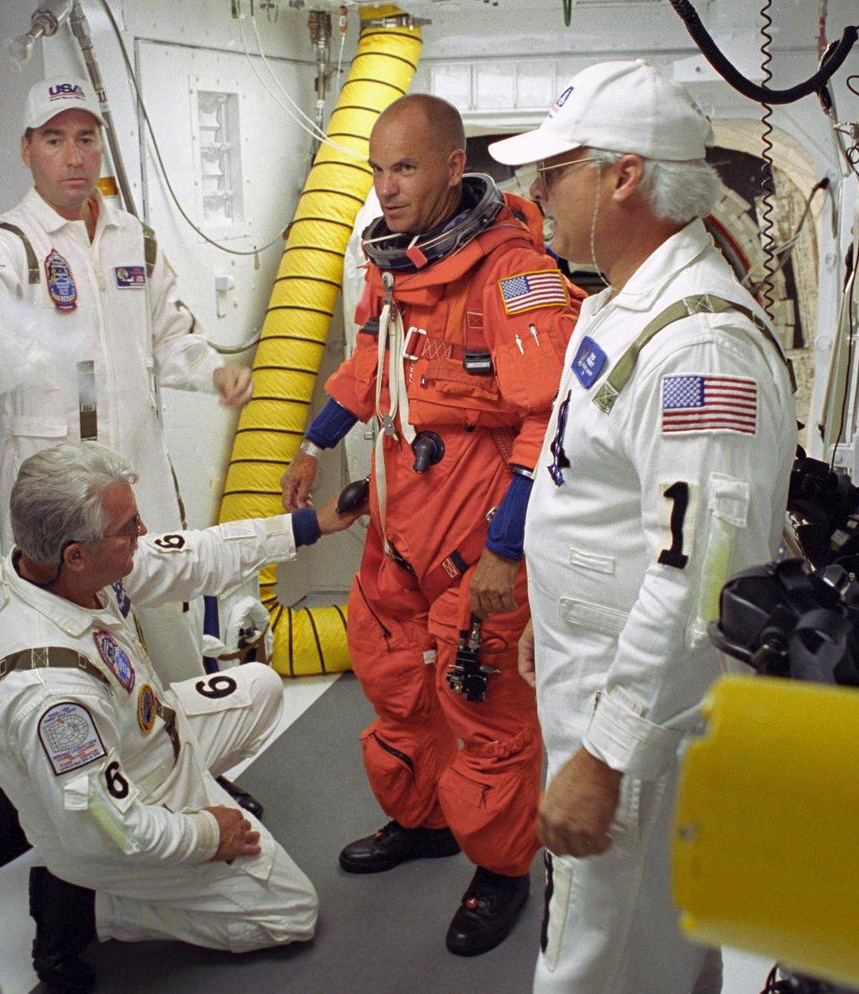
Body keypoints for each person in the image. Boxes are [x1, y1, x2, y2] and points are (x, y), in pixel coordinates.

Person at [489, 60, 798, 993]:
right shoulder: (622, 303)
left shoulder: (698, 349)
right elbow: (602, 497)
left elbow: (697, 577)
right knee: (640, 947)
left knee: (586, 956)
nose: (534, 192)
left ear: (625, 176)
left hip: (639, 722)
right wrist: (552, 607)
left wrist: (605, 758)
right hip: (598, 673)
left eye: (554, 171)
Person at [279, 93, 580, 956]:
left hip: (476, 541)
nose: (387, 187)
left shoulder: (512, 274)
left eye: (405, 167)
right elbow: (368, 367)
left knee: (486, 713)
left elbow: (550, 419)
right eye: (377, 169)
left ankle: (503, 869)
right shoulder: (391, 269)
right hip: (396, 529)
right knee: (393, 684)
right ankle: (423, 822)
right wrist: (314, 444)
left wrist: (505, 550)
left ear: (454, 165)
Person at [0, 441, 363, 993]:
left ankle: (195, 800)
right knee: (291, 914)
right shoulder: (51, 697)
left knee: (261, 687)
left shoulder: (57, 568)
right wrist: (207, 834)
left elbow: (192, 555)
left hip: (148, 737)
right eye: (129, 527)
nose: (143, 532)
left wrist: (308, 525)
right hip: (113, 819)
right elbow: (111, 827)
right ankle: (88, 906)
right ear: (76, 554)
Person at [0, 75, 252, 687]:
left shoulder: (132, 239)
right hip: (51, 481)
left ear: (101, 147)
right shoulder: (10, 241)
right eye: (54, 140)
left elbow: (172, 335)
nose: (73, 156)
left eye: (86, 139)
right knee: (65, 626)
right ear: (27, 149)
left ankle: (186, 730)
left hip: (136, 465)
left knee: (168, 611)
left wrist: (214, 371)